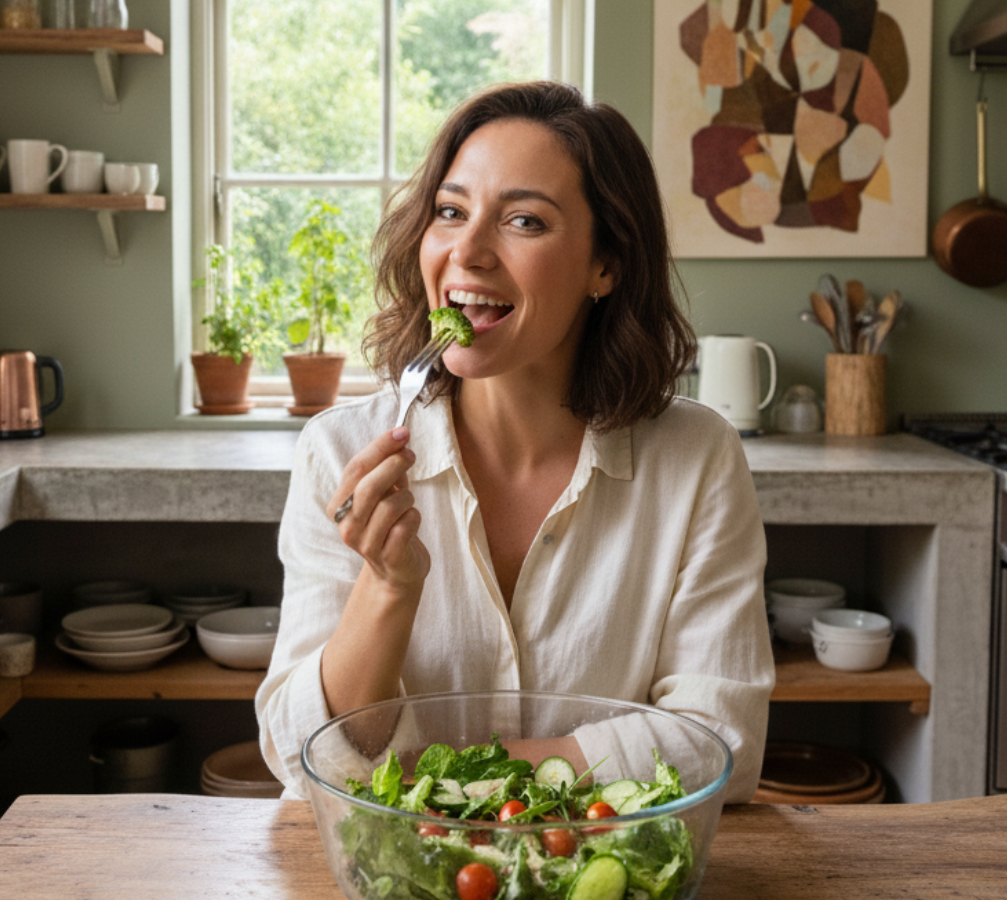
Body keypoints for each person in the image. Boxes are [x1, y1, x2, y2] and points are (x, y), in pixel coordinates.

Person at [256, 80, 774, 804]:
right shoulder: (337, 451)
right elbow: (301, 757)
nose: (467, 251)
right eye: (449, 211)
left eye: (524, 221)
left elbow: (721, 745)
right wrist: (386, 588)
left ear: (607, 264)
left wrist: (445, 782)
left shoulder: (697, 459)